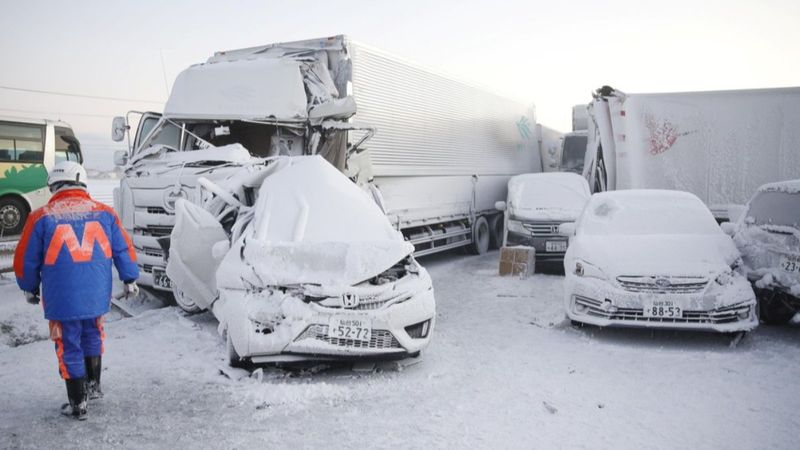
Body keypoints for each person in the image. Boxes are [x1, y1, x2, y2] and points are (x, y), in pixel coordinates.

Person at [13, 161, 139, 420]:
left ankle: (78, 403)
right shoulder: (105, 213)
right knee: (93, 334)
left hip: (62, 299)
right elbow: (123, 249)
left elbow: (26, 257)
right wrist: (130, 278)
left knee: (69, 343)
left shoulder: (41, 217)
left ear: (54, 186)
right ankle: (94, 388)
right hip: (96, 295)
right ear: (80, 181)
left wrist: (29, 287)